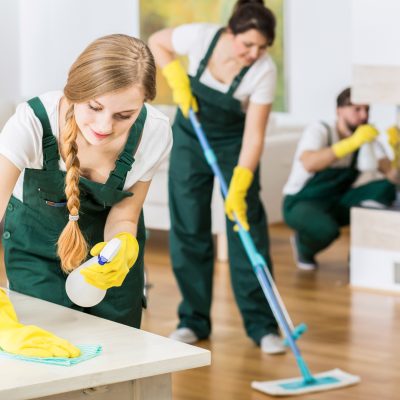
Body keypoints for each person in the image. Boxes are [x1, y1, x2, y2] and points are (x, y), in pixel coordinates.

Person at [0, 34, 172, 357]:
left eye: (124, 115)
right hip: (37, 252)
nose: (104, 126)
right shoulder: (32, 124)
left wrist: (120, 249)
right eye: (95, 106)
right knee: (48, 355)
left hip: (105, 262)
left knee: (117, 355)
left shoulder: (154, 133)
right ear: (75, 90)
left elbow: (125, 215)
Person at [149, 0, 285, 354]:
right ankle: (192, 320)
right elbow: (157, 41)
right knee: (189, 225)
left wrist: (240, 183)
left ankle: (262, 326)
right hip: (190, 137)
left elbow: (255, 134)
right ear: (230, 32)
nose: (253, 53)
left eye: (261, 47)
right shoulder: (201, 37)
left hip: (233, 144)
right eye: (247, 44)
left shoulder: (264, 72)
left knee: (245, 227)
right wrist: (176, 77)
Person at [283, 87, 397, 270]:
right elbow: (309, 163)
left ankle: (362, 252)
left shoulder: (366, 137)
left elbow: (391, 175)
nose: (363, 116)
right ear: (339, 111)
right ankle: (303, 246)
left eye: (367, 110)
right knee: (326, 230)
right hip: (301, 202)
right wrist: (351, 143)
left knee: (387, 188)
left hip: (337, 200)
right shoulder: (320, 130)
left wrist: (396, 153)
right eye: (357, 109)